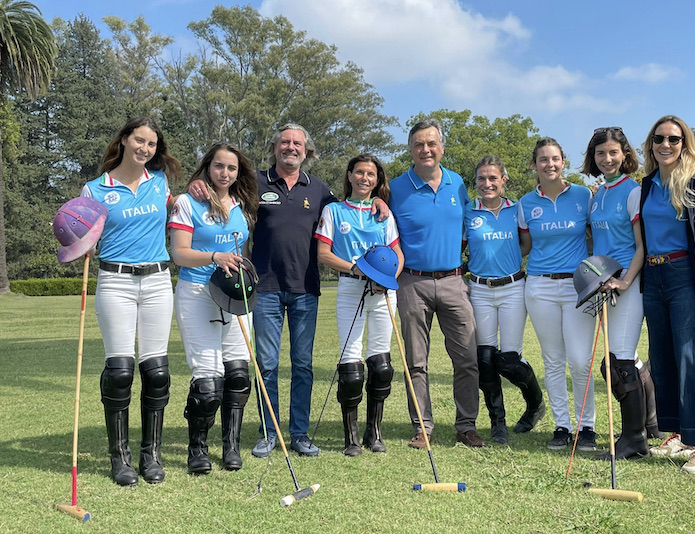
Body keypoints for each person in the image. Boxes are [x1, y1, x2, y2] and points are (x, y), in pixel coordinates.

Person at [188, 124, 389, 458]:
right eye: (285, 142)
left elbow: (351, 208)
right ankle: (270, 433)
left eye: (297, 143)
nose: (291, 147)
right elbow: (219, 189)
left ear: (306, 151)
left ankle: (299, 433)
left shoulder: (320, 189)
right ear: (275, 147)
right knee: (267, 364)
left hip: (305, 289)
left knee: (302, 364)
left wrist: (378, 200)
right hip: (263, 288)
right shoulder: (255, 183)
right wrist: (198, 183)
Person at [82, 116, 182, 486]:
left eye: (152, 144)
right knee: (120, 371)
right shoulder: (94, 190)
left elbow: (180, 209)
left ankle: (150, 455)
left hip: (157, 280)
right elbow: (79, 234)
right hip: (115, 281)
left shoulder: (160, 184)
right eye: (139, 140)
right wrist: (78, 239)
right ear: (124, 140)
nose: (145, 148)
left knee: (156, 372)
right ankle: (120, 458)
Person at [389, 117, 486, 449]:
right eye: (419, 144)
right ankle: (422, 426)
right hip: (411, 282)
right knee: (416, 360)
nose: (425, 149)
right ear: (410, 150)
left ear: (441, 148)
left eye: (431, 143)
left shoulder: (457, 183)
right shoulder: (395, 187)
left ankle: (466, 425)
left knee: (467, 358)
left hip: (454, 281)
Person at [639, 115, 695, 473]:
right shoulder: (647, 184)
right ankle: (678, 433)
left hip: (684, 277)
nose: (665, 145)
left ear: (684, 142)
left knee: (693, 359)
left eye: (673, 139)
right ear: (651, 144)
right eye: (659, 139)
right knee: (662, 358)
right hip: (653, 275)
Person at [169, 143, 258, 474]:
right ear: (208, 167)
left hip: (236, 294)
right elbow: (179, 254)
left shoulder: (241, 205)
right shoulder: (188, 203)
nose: (225, 173)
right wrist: (214, 257)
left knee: (237, 373)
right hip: (197, 291)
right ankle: (197, 449)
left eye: (232, 168)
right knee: (208, 381)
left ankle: (231, 446)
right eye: (219, 166)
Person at [579, 127, 661, 460]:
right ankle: (648, 421)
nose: (607, 158)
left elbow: (642, 246)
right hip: (604, 286)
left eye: (613, 152)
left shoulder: (632, 191)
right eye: (601, 153)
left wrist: (625, 281)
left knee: (621, 361)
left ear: (625, 154)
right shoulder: (597, 193)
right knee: (614, 362)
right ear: (593, 158)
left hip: (628, 285)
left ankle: (633, 441)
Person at [314, 154, 404, 456]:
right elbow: (323, 253)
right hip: (351, 286)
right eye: (360, 173)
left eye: (372, 174)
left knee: (381, 364)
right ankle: (350, 436)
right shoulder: (334, 211)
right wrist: (356, 269)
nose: (365, 178)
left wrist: (389, 276)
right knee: (351, 364)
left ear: (377, 180)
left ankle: (373, 431)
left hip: (383, 291)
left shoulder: (383, 214)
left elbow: (397, 252)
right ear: (350, 175)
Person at [518, 137, 597, 451]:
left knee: (580, 360)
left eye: (554, 159)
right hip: (539, 287)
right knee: (553, 360)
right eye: (542, 160)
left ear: (563, 161)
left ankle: (586, 427)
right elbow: (524, 246)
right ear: (535, 165)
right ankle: (562, 426)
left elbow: (598, 235)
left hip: (578, 286)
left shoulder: (583, 195)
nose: (549, 164)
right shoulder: (525, 203)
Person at [464, 156, 545, 444]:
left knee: (509, 360)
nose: (487, 184)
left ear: (503, 180)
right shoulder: (468, 212)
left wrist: (505, 260)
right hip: (480, 290)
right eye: (482, 179)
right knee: (485, 358)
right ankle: (497, 422)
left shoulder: (517, 209)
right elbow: (461, 246)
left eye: (493, 178)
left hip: (512, 287)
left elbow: (526, 244)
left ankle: (535, 405)